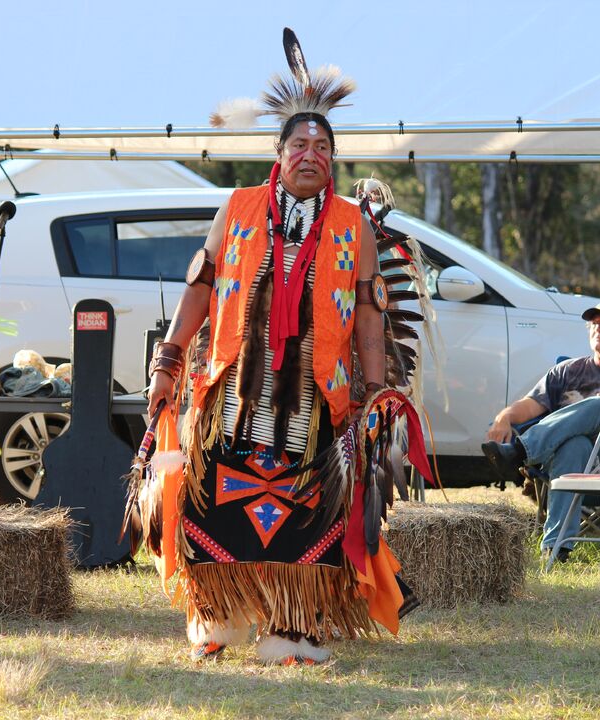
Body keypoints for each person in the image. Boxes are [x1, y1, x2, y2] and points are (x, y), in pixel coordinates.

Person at [133, 29, 431, 666]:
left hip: (316, 395)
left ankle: (293, 627)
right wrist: (169, 358)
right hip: (235, 387)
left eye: (324, 146)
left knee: (303, 508)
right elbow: (201, 286)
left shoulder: (353, 226)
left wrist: (375, 394)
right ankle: (221, 615)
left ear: (333, 159)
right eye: (300, 144)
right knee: (217, 497)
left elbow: (371, 317)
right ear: (278, 152)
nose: (312, 154)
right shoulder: (237, 207)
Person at [481, 298, 600, 561]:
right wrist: (504, 417)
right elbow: (531, 405)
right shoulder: (567, 371)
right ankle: (557, 547)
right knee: (574, 444)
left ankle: (519, 451)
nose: (598, 328)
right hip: (574, 462)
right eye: (594, 324)